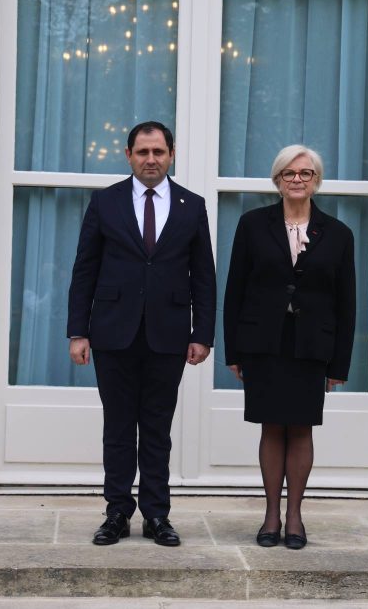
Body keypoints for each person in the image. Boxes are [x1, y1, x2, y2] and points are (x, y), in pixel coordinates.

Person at [67, 121, 216, 547]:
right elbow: (85, 269)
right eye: (143, 152)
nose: (151, 159)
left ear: (171, 155)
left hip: (168, 335)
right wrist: (78, 331)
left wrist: (202, 333)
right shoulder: (105, 202)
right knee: (117, 427)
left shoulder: (192, 205)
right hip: (112, 332)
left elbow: (203, 275)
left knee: (156, 428)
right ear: (128, 155)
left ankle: (156, 514)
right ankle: (117, 512)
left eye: (159, 152)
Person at [223, 145, 356, 550]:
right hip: (263, 342)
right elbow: (235, 290)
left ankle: (295, 515)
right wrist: (233, 352)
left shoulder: (338, 233)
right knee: (270, 426)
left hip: (311, 344)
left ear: (316, 181)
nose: (297, 179)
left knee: (300, 428)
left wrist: (340, 363)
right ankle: (271, 515)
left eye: (305, 173)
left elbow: (347, 302)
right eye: (289, 173)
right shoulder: (252, 225)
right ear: (277, 180)